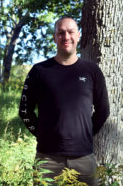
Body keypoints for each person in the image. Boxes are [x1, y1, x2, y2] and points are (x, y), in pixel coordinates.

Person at [19, 16, 110, 186]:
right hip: (47, 159)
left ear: (78, 35)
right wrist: (42, 134)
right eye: (60, 33)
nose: (66, 37)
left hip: (84, 158)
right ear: (55, 37)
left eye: (70, 32)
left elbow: (103, 110)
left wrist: (86, 134)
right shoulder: (39, 71)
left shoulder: (92, 71)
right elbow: (24, 111)